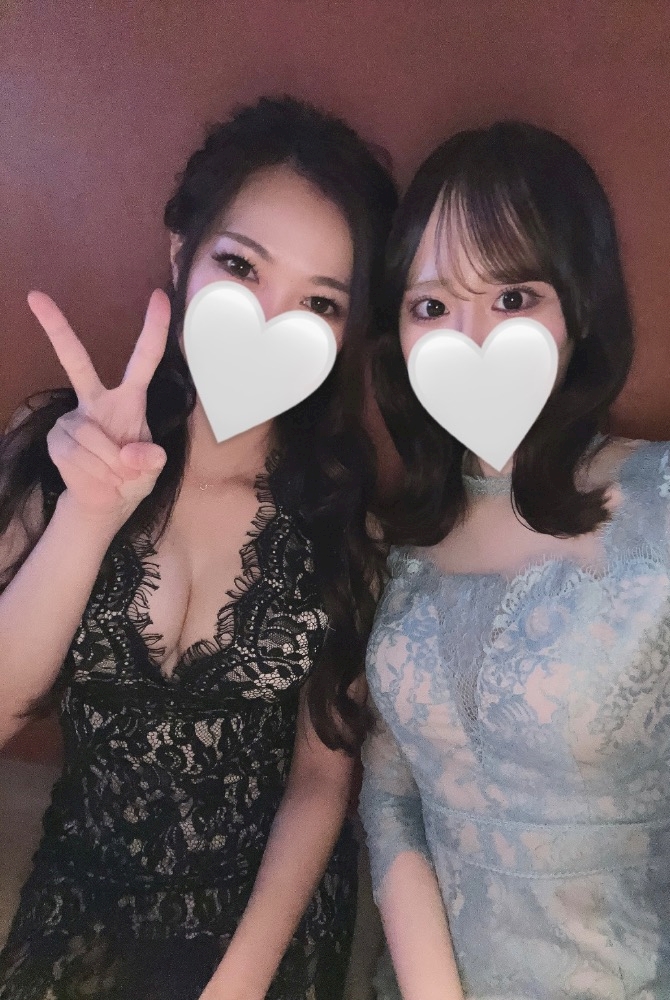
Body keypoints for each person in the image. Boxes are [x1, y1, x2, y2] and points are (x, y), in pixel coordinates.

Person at [0, 95, 397, 1000]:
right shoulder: (62, 451)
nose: (270, 317)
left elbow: (320, 780)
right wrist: (87, 517)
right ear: (182, 253)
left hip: (264, 919)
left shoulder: (345, 524)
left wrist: (241, 980)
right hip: (85, 893)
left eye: (320, 302)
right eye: (240, 265)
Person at [360, 120, 670, 998]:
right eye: (432, 307)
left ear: (580, 307)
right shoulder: (403, 544)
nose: (472, 337)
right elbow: (393, 800)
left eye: (513, 296)